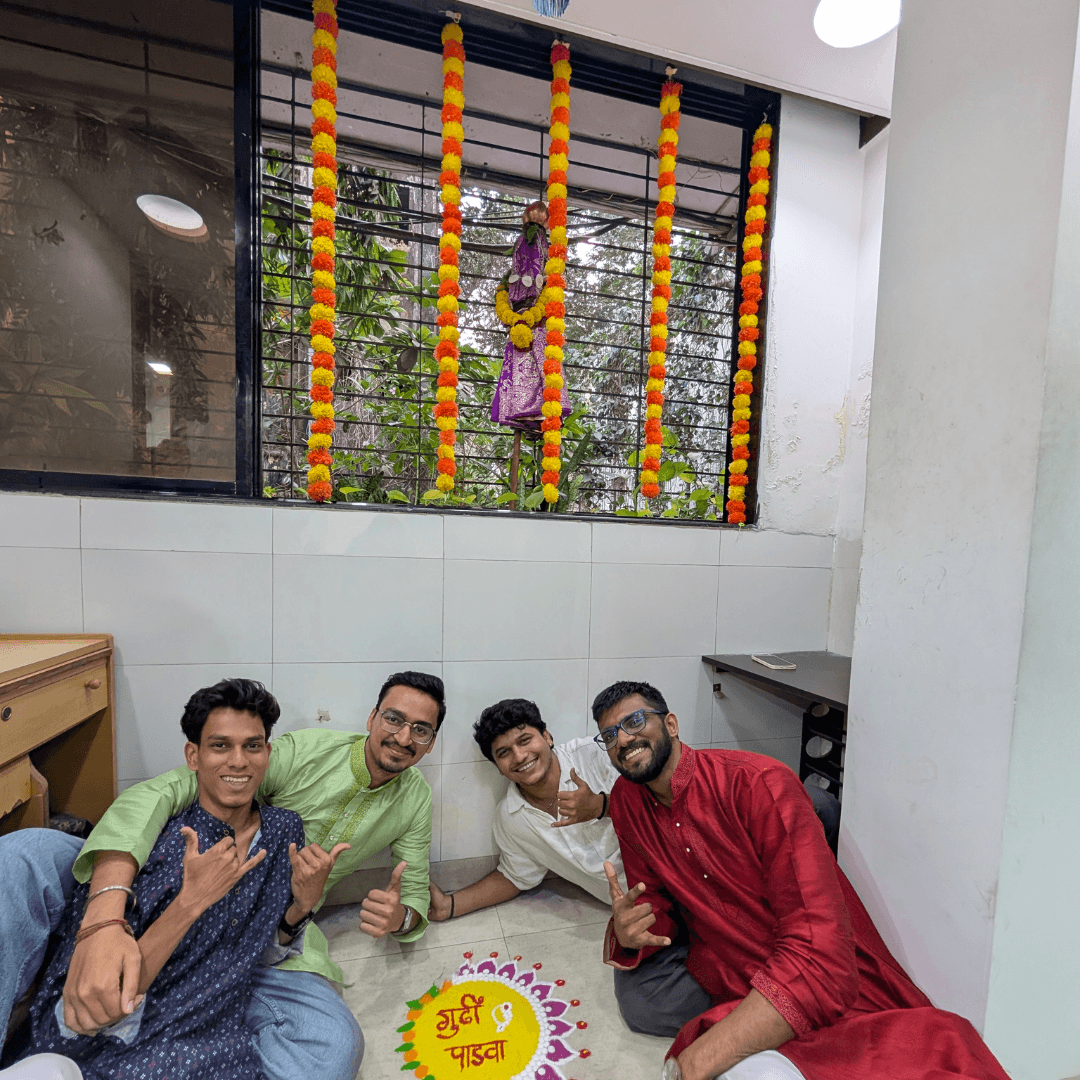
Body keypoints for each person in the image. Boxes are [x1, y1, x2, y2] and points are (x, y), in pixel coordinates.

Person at [0, 670, 446, 1080]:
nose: (403, 736)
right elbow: (183, 786)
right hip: (158, 876)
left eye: (421, 730)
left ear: (430, 743)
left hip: (271, 921)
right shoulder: (301, 756)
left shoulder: (407, 802)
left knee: (335, 1047)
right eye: (393, 718)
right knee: (24, 853)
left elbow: (413, 899)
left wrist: (396, 919)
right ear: (372, 717)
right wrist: (106, 915)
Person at [593, 680, 1012, 1080]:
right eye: (609, 736)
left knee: (863, 1042)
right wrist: (630, 929)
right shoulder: (627, 801)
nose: (624, 740)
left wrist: (705, 1055)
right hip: (724, 956)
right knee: (638, 1000)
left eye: (634, 721)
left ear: (670, 724)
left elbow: (821, 950)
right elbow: (655, 899)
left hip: (796, 951)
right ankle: (761, 1016)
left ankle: (770, 1014)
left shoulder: (757, 783)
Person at [5, 678, 318, 1080]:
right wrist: (189, 904)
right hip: (125, 1050)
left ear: (267, 753)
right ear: (193, 756)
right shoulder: (157, 846)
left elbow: (263, 947)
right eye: (220, 746)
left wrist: (302, 906)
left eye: (252, 746)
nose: (239, 761)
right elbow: (76, 1020)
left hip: (223, 1043)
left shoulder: (283, 831)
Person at [428, 698, 623, 921]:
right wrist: (449, 906)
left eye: (525, 740)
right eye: (504, 753)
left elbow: (656, 800)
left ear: (547, 737)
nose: (519, 756)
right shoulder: (512, 817)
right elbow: (514, 876)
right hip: (630, 910)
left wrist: (602, 805)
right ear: (497, 767)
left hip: (658, 878)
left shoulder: (596, 754)